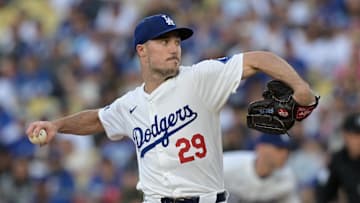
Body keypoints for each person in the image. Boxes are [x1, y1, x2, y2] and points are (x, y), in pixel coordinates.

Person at [26, 14, 317, 203]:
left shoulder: (200, 78)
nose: (174, 48)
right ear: (142, 50)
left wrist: (300, 87)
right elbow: (98, 119)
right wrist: (56, 126)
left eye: (176, 42)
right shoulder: (130, 104)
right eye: (164, 41)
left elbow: (258, 58)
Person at [223, 134, 300, 203]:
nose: (285, 154)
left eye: (287, 150)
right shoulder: (226, 166)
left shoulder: (287, 177)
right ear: (260, 148)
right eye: (279, 149)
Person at [317, 112, 360, 203]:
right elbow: (324, 190)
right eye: (355, 135)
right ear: (345, 135)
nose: (358, 140)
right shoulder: (337, 160)